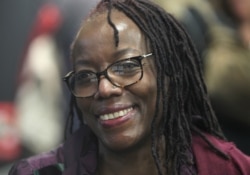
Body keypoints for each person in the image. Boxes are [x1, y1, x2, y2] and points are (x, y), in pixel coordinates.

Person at [8, 0, 250, 175]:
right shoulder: (40, 172)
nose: (104, 88)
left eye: (125, 66)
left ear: (168, 72)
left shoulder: (227, 168)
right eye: (86, 76)